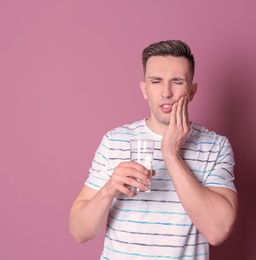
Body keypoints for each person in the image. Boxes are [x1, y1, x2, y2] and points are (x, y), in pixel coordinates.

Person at [69, 40, 238, 259]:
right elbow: (79, 232)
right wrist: (109, 189)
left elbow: (218, 231)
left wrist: (171, 153)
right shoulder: (114, 141)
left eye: (177, 81)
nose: (166, 92)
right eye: (156, 81)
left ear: (192, 90)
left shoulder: (216, 147)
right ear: (145, 89)